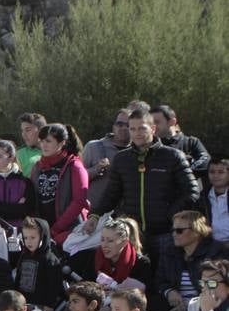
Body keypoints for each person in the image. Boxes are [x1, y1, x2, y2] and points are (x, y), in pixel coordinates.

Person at [83, 106, 199, 273]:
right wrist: (94, 215)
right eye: (132, 128)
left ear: (153, 128)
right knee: (135, 283)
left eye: (142, 128)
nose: (136, 133)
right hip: (134, 234)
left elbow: (192, 192)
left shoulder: (172, 156)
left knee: (163, 280)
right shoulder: (122, 159)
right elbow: (111, 194)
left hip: (165, 233)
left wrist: (170, 214)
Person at [154, 211, 223, 311]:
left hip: (208, 310)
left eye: (179, 231)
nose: (174, 234)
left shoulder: (216, 252)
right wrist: (169, 291)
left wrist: (192, 306)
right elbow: (159, 280)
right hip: (174, 310)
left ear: (197, 231)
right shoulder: (169, 251)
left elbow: (218, 288)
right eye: (173, 230)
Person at [30, 124, 89, 246]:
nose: (43, 145)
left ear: (61, 143)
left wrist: (56, 229)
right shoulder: (37, 167)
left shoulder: (75, 166)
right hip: (42, 230)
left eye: (48, 141)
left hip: (69, 232)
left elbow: (79, 201)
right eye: (41, 141)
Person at [13, 217, 70, 310]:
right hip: (22, 303)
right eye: (25, 237)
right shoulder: (24, 256)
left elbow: (54, 285)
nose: (28, 241)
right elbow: (18, 278)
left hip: (40, 305)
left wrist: (49, 305)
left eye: (33, 237)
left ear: (43, 236)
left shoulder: (50, 259)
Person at [151, 104, 210, 188]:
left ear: (172, 122)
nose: (153, 126)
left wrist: (181, 171)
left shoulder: (191, 142)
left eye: (157, 122)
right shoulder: (150, 145)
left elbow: (205, 162)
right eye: (151, 123)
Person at [82, 108, 130, 208]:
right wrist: (96, 170)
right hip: (93, 214)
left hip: (123, 216)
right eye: (120, 124)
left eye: (128, 125)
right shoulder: (93, 147)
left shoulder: (137, 152)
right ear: (113, 126)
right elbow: (77, 180)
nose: (124, 128)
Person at [91, 217, 153, 293]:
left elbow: (144, 295)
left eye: (110, 241)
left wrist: (116, 292)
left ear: (124, 242)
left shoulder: (141, 263)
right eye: (102, 239)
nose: (104, 245)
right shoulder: (96, 256)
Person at [202, 158, 229, 243]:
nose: (215, 176)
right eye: (212, 172)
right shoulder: (202, 197)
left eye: (221, 172)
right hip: (211, 246)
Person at [16, 113, 46, 178]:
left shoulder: (56, 151)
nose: (23, 134)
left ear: (41, 130)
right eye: (22, 131)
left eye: (28, 130)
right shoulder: (19, 155)